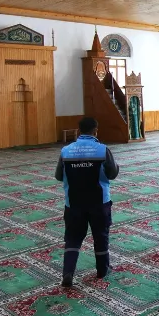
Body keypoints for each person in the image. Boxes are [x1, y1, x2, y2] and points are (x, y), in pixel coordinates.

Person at [54, 116, 119, 287]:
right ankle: (102, 270)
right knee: (100, 235)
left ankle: (68, 272)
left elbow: (59, 176)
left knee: (73, 238)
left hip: (73, 203)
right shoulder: (102, 150)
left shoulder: (66, 151)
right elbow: (112, 173)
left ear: (79, 131)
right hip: (99, 202)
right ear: (95, 131)